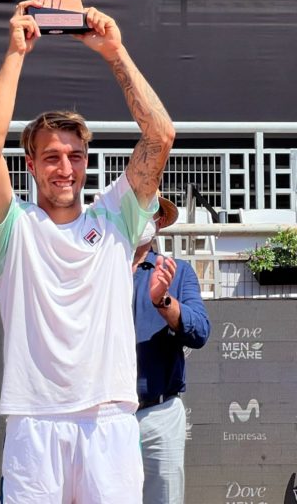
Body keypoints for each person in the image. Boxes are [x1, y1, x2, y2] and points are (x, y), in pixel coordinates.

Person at [0, 1, 175, 503]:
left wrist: (115, 53)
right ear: (32, 164)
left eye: (76, 156)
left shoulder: (115, 217)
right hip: (34, 420)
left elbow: (160, 135)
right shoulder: (12, 226)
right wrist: (17, 52)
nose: (65, 168)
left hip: (108, 418)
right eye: (52, 157)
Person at [132, 198, 210, 504]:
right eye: (132, 209)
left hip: (159, 414)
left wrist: (163, 301)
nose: (140, 218)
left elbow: (200, 331)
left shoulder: (178, 273)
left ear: (160, 221)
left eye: (147, 212)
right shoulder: (97, 271)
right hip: (103, 417)